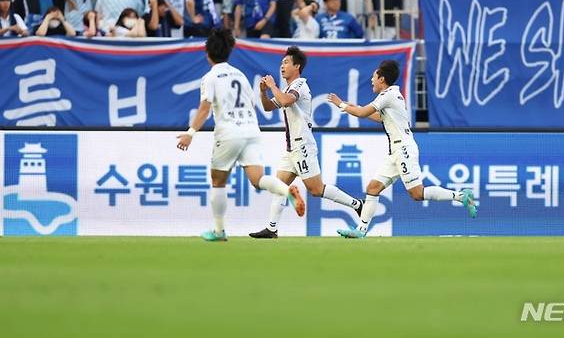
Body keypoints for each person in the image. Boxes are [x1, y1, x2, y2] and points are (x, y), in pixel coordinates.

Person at [176, 29, 306, 242]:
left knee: (218, 181)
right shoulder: (241, 75)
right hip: (251, 131)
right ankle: (287, 191)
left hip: (229, 132)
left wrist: (190, 133)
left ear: (208, 54)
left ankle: (219, 231)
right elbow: (252, 104)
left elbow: (204, 109)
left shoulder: (210, 77)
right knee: (258, 179)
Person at [328, 60, 477, 238]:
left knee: (417, 193)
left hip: (404, 150)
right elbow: (377, 117)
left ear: (382, 79)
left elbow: (362, 113)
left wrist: (341, 105)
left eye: (374, 77)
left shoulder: (387, 95)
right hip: (396, 152)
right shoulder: (392, 95)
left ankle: (461, 196)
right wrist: (354, 107)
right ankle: (361, 230)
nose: (371, 80)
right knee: (373, 188)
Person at [249, 47, 364, 238]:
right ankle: (271, 228)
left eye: (286, 62)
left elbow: (285, 101)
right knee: (279, 187)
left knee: (316, 189)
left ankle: (357, 204)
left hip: (302, 146)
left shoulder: (300, 85)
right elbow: (269, 107)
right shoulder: (286, 88)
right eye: (281, 63)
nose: (282, 66)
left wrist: (271, 86)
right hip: (291, 148)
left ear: (297, 66)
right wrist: (263, 92)